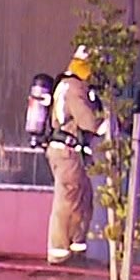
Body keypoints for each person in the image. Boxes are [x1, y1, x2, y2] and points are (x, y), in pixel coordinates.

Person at [45, 47, 104, 266]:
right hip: (66, 153)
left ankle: (76, 248)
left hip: (72, 152)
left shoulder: (73, 85)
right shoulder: (74, 87)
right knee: (68, 201)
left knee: (83, 200)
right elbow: (88, 121)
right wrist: (109, 124)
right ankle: (59, 253)